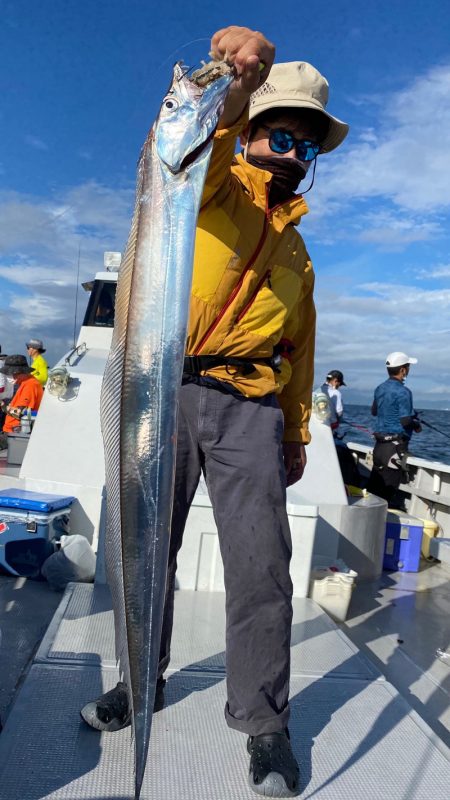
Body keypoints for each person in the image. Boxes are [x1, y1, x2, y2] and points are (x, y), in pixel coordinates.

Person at [81, 25, 349, 797]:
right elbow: (204, 127)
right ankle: (140, 684)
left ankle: (265, 726)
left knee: (263, 570)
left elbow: (296, 354)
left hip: (252, 410)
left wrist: (297, 433)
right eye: (283, 134)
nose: (294, 153)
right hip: (161, 389)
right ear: (253, 130)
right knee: (143, 551)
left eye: (309, 146)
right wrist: (241, 75)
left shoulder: (297, 256)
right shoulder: (207, 184)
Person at [367, 352, 422, 507]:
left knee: (373, 492)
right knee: (385, 498)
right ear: (403, 370)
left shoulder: (379, 388)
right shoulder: (404, 392)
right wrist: (416, 425)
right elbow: (405, 420)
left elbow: (374, 411)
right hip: (394, 449)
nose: (409, 369)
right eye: (408, 367)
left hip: (379, 448)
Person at [0, 355, 44, 450]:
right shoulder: (26, 383)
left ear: (19, 372)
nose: (12, 376)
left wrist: (2, 405)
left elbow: (20, 414)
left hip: (14, 434)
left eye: (13, 374)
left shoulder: (30, 386)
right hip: (12, 433)